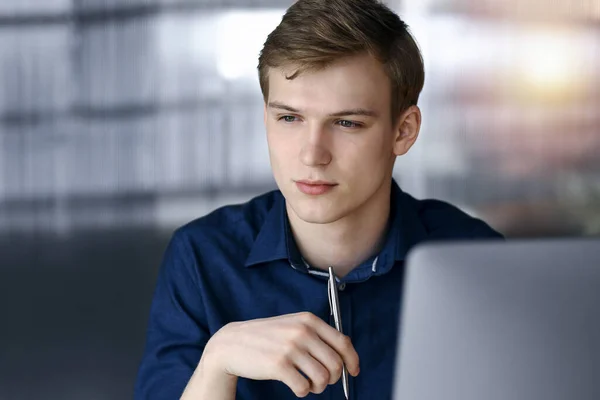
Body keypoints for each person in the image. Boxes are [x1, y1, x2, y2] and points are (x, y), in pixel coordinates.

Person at [134, 0, 503, 398]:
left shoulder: (475, 259)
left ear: (404, 131)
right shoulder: (202, 257)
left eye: (346, 123)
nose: (312, 154)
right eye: (289, 118)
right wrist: (217, 361)